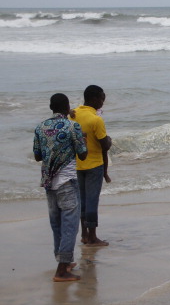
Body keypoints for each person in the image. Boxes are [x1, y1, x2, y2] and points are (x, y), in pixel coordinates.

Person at [34, 93, 88, 282]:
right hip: (67, 182)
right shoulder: (73, 126)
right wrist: (84, 140)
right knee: (70, 227)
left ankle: (64, 262)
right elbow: (82, 154)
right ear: (67, 107)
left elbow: (38, 156)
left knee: (56, 224)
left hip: (49, 183)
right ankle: (61, 271)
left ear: (51, 107)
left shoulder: (40, 127)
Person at [72, 85, 111, 246]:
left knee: (81, 200)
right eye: (102, 98)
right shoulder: (96, 119)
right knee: (92, 200)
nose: (103, 102)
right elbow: (105, 145)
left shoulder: (72, 114)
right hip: (94, 164)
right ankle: (93, 237)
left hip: (77, 164)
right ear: (94, 99)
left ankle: (84, 234)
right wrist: (109, 139)